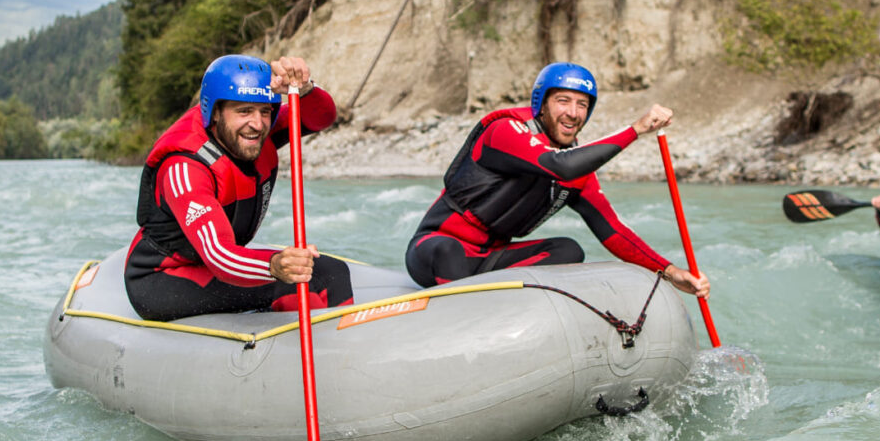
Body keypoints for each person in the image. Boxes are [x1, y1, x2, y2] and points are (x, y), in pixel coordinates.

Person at [404, 62, 711, 297]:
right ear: (543, 103)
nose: (573, 113)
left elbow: (613, 231)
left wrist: (670, 272)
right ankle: (459, 319)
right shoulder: (505, 131)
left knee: (569, 250)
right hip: (434, 252)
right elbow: (557, 165)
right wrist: (635, 130)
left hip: (490, 262)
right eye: (563, 101)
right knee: (449, 250)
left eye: (582, 105)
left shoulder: (579, 171)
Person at [124, 54, 353, 322]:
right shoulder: (184, 168)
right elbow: (219, 255)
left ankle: (342, 346)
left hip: (215, 266)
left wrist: (303, 88)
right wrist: (275, 265)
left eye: (265, 111)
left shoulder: (252, 130)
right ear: (216, 112)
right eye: (244, 111)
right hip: (163, 277)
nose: (256, 124)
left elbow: (321, 117)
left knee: (332, 272)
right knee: (296, 283)